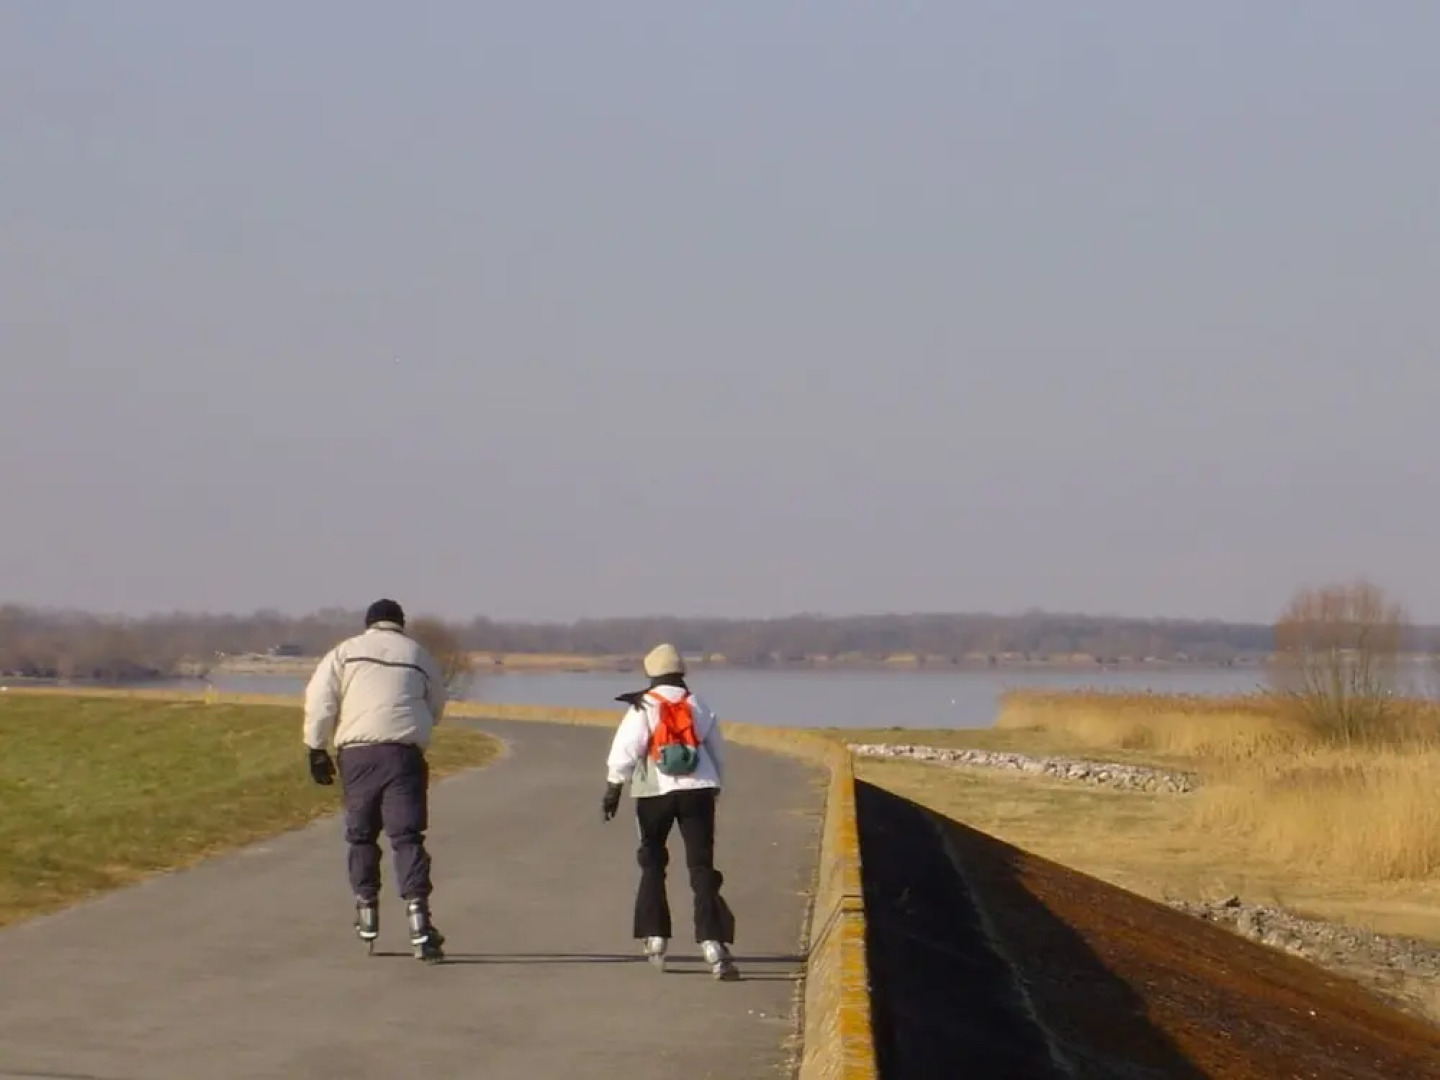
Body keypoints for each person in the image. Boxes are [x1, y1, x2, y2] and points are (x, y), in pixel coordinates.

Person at [303, 598, 449, 961]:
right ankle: (419, 921)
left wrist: (315, 747)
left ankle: (366, 910)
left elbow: (321, 699)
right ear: (401, 623)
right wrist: (419, 728)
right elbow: (437, 703)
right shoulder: (418, 654)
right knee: (407, 836)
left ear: (368, 623)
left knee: (361, 834)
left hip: (358, 754)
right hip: (403, 753)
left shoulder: (346, 652)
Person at [601, 643, 739, 980]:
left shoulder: (644, 705)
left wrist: (613, 788)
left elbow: (626, 750)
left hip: (654, 792)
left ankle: (656, 936)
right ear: (681, 672)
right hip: (698, 791)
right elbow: (717, 750)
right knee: (701, 865)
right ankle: (713, 943)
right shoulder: (697, 704)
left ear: (651, 672)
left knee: (652, 861)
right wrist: (716, 785)